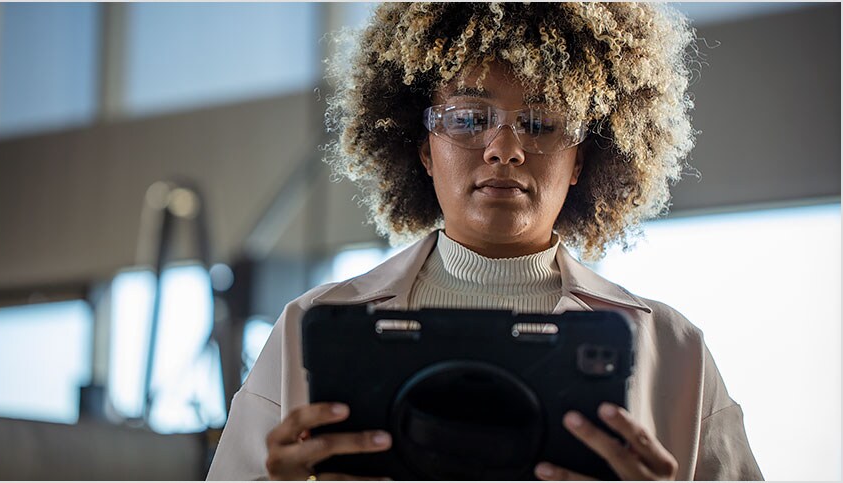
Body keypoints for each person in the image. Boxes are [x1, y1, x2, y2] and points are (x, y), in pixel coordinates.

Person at [207, 3, 763, 480]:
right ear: (423, 150)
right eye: (470, 118)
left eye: (543, 123)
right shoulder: (311, 328)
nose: (504, 149)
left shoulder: (674, 350)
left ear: (582, 160)